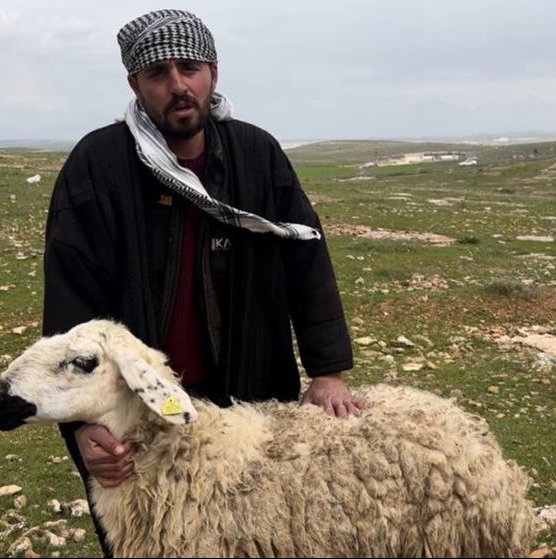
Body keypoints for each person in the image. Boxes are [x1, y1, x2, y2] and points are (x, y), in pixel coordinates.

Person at [41, 9, 360, 555]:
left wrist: (327, 371)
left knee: (262, 536)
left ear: (213, 72)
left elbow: (305, 255)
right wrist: (81, 427)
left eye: (189, 68)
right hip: (139, 415)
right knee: (150, 540)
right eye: (158, 74)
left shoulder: (255, 154)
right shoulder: (97, 166)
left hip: (251, 398)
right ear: (134, 85)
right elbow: (74, 314)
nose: (177, 86)